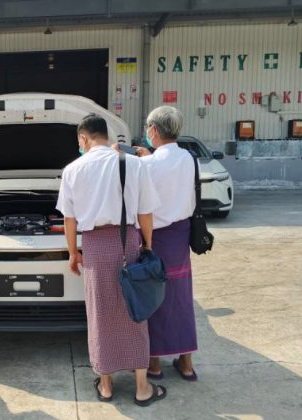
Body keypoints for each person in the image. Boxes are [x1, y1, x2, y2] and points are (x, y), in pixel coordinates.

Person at [57, 114, 166, 407]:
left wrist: (72, 253)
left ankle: (106, 385)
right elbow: (145, 212)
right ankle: (142, 387)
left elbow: (69, 219)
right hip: (127, 241)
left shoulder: (73, 169)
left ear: (83, 139)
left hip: (94, 247)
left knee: (100, 314)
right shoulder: (133, 164)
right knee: (135, 310)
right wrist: (147, 246)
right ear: (106, 136)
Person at [134, 106, 199, 381]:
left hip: (155, 237)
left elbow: (142, 204)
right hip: (181, 235)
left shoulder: (145, 165)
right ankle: (186, 363)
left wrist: (144, 159)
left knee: (153, 297)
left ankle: (154, 365)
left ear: (153, 130)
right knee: (181, 297)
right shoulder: (189, 158)